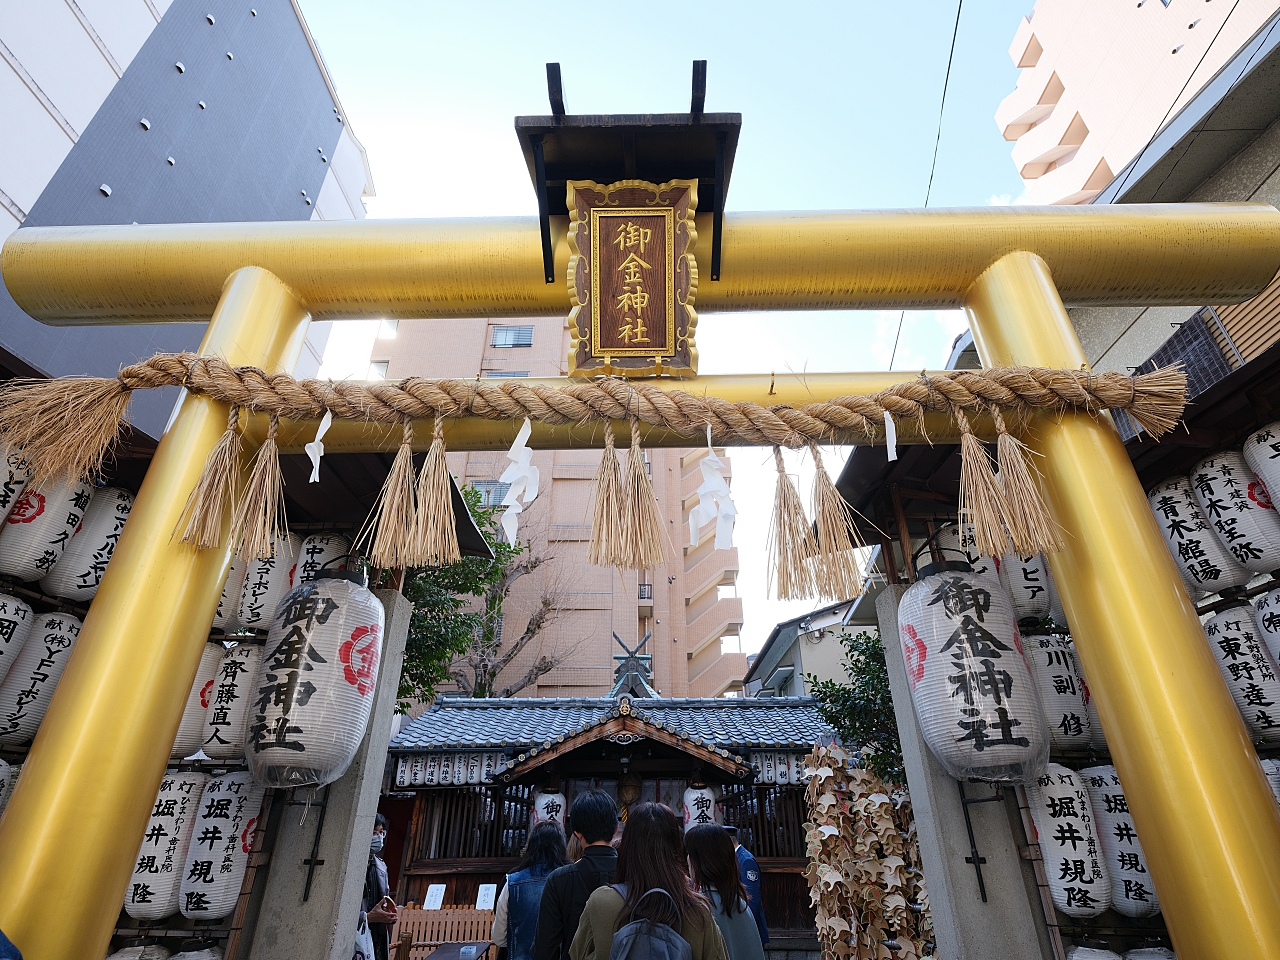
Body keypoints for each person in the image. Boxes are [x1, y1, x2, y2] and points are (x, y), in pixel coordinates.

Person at [568, 803, 728, 960]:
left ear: (627, 847)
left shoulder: (600, 903)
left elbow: (577, 954)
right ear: (676, 848)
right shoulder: (698, 912)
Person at [531, 790, 619, 960]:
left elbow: (544, 950)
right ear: (615, 829)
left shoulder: (559, 880)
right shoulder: (633, 873)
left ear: (577, 833)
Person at [685, 824, 765, 960]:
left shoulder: (699, 909)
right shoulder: (740, 903)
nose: (687, 859)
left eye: (689, 854)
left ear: (699, 861)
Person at [494, 821, 571, 960]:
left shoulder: (512, 882)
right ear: (561, 846)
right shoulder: (569, 879)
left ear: (531, 846)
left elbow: (499, 938)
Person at [361, 813, 399, 960]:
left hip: (377, 937)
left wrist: (388, 914)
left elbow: (383, 899)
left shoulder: (381, 866)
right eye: (373, 833)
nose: (378, 837)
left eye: (380, 833)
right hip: (356, 936)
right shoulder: (352, 864)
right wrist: (367, 918)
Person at [723, 827, 769, 945]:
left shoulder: (745, 860)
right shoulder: (734, 858)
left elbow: (752, 898)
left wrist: (746, 927)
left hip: (749, 927)